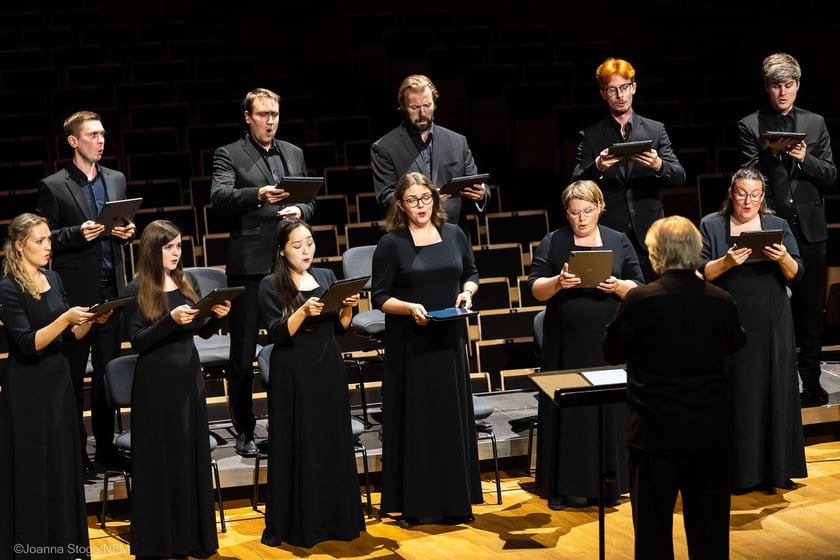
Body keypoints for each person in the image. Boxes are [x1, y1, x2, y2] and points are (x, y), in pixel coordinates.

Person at [602, 215, 747, 560]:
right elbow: (735, 343)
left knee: (652, 535)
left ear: (657, 255)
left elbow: (612, 351)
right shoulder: (720, 299)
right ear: (695, 251)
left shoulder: (640, 300)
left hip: (654, 433)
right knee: (709, 534)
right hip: (708, 431)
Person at [210, 87, 316, 457]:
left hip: (289, 267)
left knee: (287, 346)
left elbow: (309, 200)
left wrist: (301, 212)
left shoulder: (294, 153)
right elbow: (220, 196)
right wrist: (258, 195)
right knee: (242, 355)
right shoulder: (229, 154)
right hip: (250, 268)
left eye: (274, 114)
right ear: (248, 117)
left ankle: (289, 420)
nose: (270, 121)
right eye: (263, 114)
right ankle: (244, 429)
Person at [371, 171, 481, 528]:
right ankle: (414, 506)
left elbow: (471, 273)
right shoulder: (391, 243)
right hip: (411, 344)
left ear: (436, 199)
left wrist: (467, 292)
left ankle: (456, 502)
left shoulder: (454, 234)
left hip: (448, 341)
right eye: (412, 200)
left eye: (426, 198)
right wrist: (409, 308)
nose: (420, 206)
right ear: (400, 205)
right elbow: (380, 297)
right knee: (417, 423)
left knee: (450, 419)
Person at [527, 179, 643, 510]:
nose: (580, 219)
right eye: (574, 212)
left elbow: (639, 286)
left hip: (608, 339)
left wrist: (619, 286)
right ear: (567, 213)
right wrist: (558, 282)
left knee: (608, 409)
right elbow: (535, 288)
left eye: (587, 211)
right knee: (569, 410)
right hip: (566, 343)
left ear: (600, 208)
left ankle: (609, 485)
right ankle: (563, 487)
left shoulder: (619, 241)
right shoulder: (555, 241)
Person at [35, 110, 136, 475]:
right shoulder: (54, 185)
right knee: (75, 378)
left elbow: (122, 224)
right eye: (93, 135)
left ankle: (107, 448)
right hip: (75, 297)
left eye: (103, 134)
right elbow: (45, 238)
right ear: (74, 141)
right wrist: (77, 233)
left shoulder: (115, 178)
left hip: (111, 289)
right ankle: (77, 451)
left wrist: (126, 231)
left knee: (107, 377)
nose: (101, 140)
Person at [122, 219, 229, 558]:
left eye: (179, 246)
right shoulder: (135, 288)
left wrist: (216, 317)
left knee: (188, 457)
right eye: (168, 247)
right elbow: (138, 341)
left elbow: (200, 329)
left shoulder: (186, 280)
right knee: (161, 460)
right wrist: (170, 321)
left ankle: (191, 537)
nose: (175, 253)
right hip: (155, 385)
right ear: (153, 249)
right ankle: (160, 540)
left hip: (187, 381)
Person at [257, 218, 366, 548]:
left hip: (327, 366)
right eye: (297, 245)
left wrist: (348, 308)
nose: (306, 250)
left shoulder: (326, 277)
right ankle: (298, 524)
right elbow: (277, 334)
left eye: (309, 242)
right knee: (299, 442)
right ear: (281, 250)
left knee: (330, 441)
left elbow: (340, 328)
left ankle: (335, 519)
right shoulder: (269, 284)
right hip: (293, 372)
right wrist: (303, 312)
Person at [737, 52, 838, 408]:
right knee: (774, 310)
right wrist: (774, 154)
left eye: (789, 85)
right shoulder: (750, 125)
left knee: (811, 313)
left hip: (811, 232)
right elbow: (747, 180)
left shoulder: (815, 122)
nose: (783, 92)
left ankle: (811, 381)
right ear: (767, 87)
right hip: (771, 229)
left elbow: (830, 175)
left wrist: (803, 158)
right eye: (777, 85)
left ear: (798, 85)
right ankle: (776, 385)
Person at [699, 166, 807, 494]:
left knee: (774, 389)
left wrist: (784, 257)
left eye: (755, 195)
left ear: (763, 198)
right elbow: (702, 271)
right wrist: (728, 262)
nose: (748, 201)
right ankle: (736, 472)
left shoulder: (777, 226)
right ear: (731, 194)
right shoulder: (712, 225)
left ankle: (774, 470)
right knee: (738, 392)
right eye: (742, 193)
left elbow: (797, 273)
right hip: (729, 321)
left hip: (773, 321)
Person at [0, 213, 102, 560]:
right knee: (33, 466)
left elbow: (73, 335)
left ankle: (63, 543)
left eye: (48, 240)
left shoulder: (54, 277)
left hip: (58, 381)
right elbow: (28, 342)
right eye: (40, 240)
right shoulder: (8, 286)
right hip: (28, 386)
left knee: (61, 461)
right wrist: (66, 318)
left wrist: (90, 321)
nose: (48, 246)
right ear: (19, 246)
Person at [572, 57, 686, 283]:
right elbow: (576, 183)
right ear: (603, 93)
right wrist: (597, 167)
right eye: (612, 90)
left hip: (651, 232)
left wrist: (658, 165)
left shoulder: (655, 129)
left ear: (634, 87)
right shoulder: (591, 135)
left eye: (624, 87)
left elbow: (679, 176)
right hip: (610, 229)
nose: (620, 95)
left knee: (656, 296)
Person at [371, 74, 491, 242]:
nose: (422, 113)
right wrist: (425, 197)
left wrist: (482, 194)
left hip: (455, 238)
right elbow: (386, 198)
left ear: (435, 103)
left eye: (427, 105)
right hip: (409, 240)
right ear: (403, 107)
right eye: (415, 107)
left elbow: (475, 183)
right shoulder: (384, 148)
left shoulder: (457, 142)